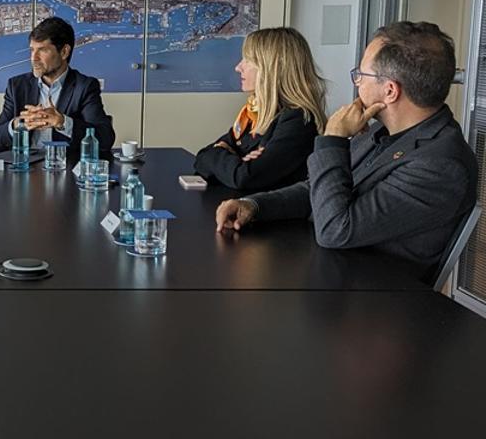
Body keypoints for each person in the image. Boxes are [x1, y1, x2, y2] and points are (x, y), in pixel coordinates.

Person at [216, 21, 477, 281]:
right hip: (331, 276)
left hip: (374, 304)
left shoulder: (440, 165)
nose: (356, 83)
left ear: (389, 91)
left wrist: (333, 139)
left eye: (361, 75)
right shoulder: (382, 131)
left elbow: (337, 230)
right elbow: (316, 190)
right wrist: (254, 205)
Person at [193, 27, 328, 192]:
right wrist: (234, 159)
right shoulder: (254, 115)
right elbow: (202, 158)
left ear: (272, 69)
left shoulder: (298, 121)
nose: (238, 67)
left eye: (248, 60)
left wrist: (227, 155)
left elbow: (244, 177)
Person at [0, 16, 115, 162]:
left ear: (64, 52)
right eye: (32, 50)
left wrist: (62, 122)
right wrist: (18, 124)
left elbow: (105, 138)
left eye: (42, 50)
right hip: (24, 171)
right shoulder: (17, 86)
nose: (33, 58)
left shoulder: (85, 87)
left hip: (64, 171)